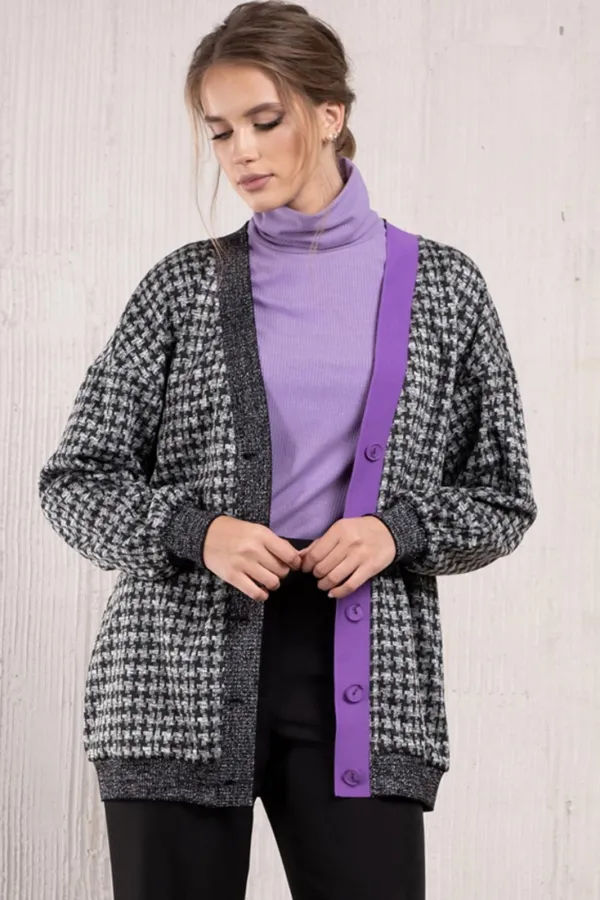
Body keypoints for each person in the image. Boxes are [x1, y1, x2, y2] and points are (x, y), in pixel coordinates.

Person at [37, 2, 538, 898]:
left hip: (365, 680)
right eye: (220, 130)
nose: (241, 152)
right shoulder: (184, 287)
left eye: (264, 121)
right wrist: (199, 532)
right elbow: (76, 480)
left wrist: (397, 531)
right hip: (175, 677)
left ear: (330, 114)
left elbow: (503, 494)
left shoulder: (445, 289)